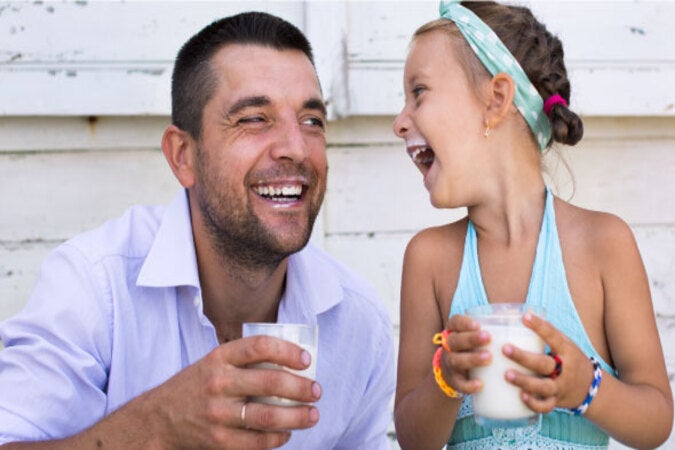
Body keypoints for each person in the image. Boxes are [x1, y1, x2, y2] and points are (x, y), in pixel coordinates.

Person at [0, 11, 395, 449]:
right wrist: (157, 425)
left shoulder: (357, 323)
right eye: (254, 119)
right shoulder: (96, 287)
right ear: (183, 156)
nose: (295, 149)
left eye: (311, 121)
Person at [392, 1, 673, 449]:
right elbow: (413, 438)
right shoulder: (430, 259)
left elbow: (656, 419)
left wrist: (586, 388)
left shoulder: (604, 244)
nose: (399, 122)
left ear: (497, 100)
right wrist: (446, 379)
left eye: (419, 92)